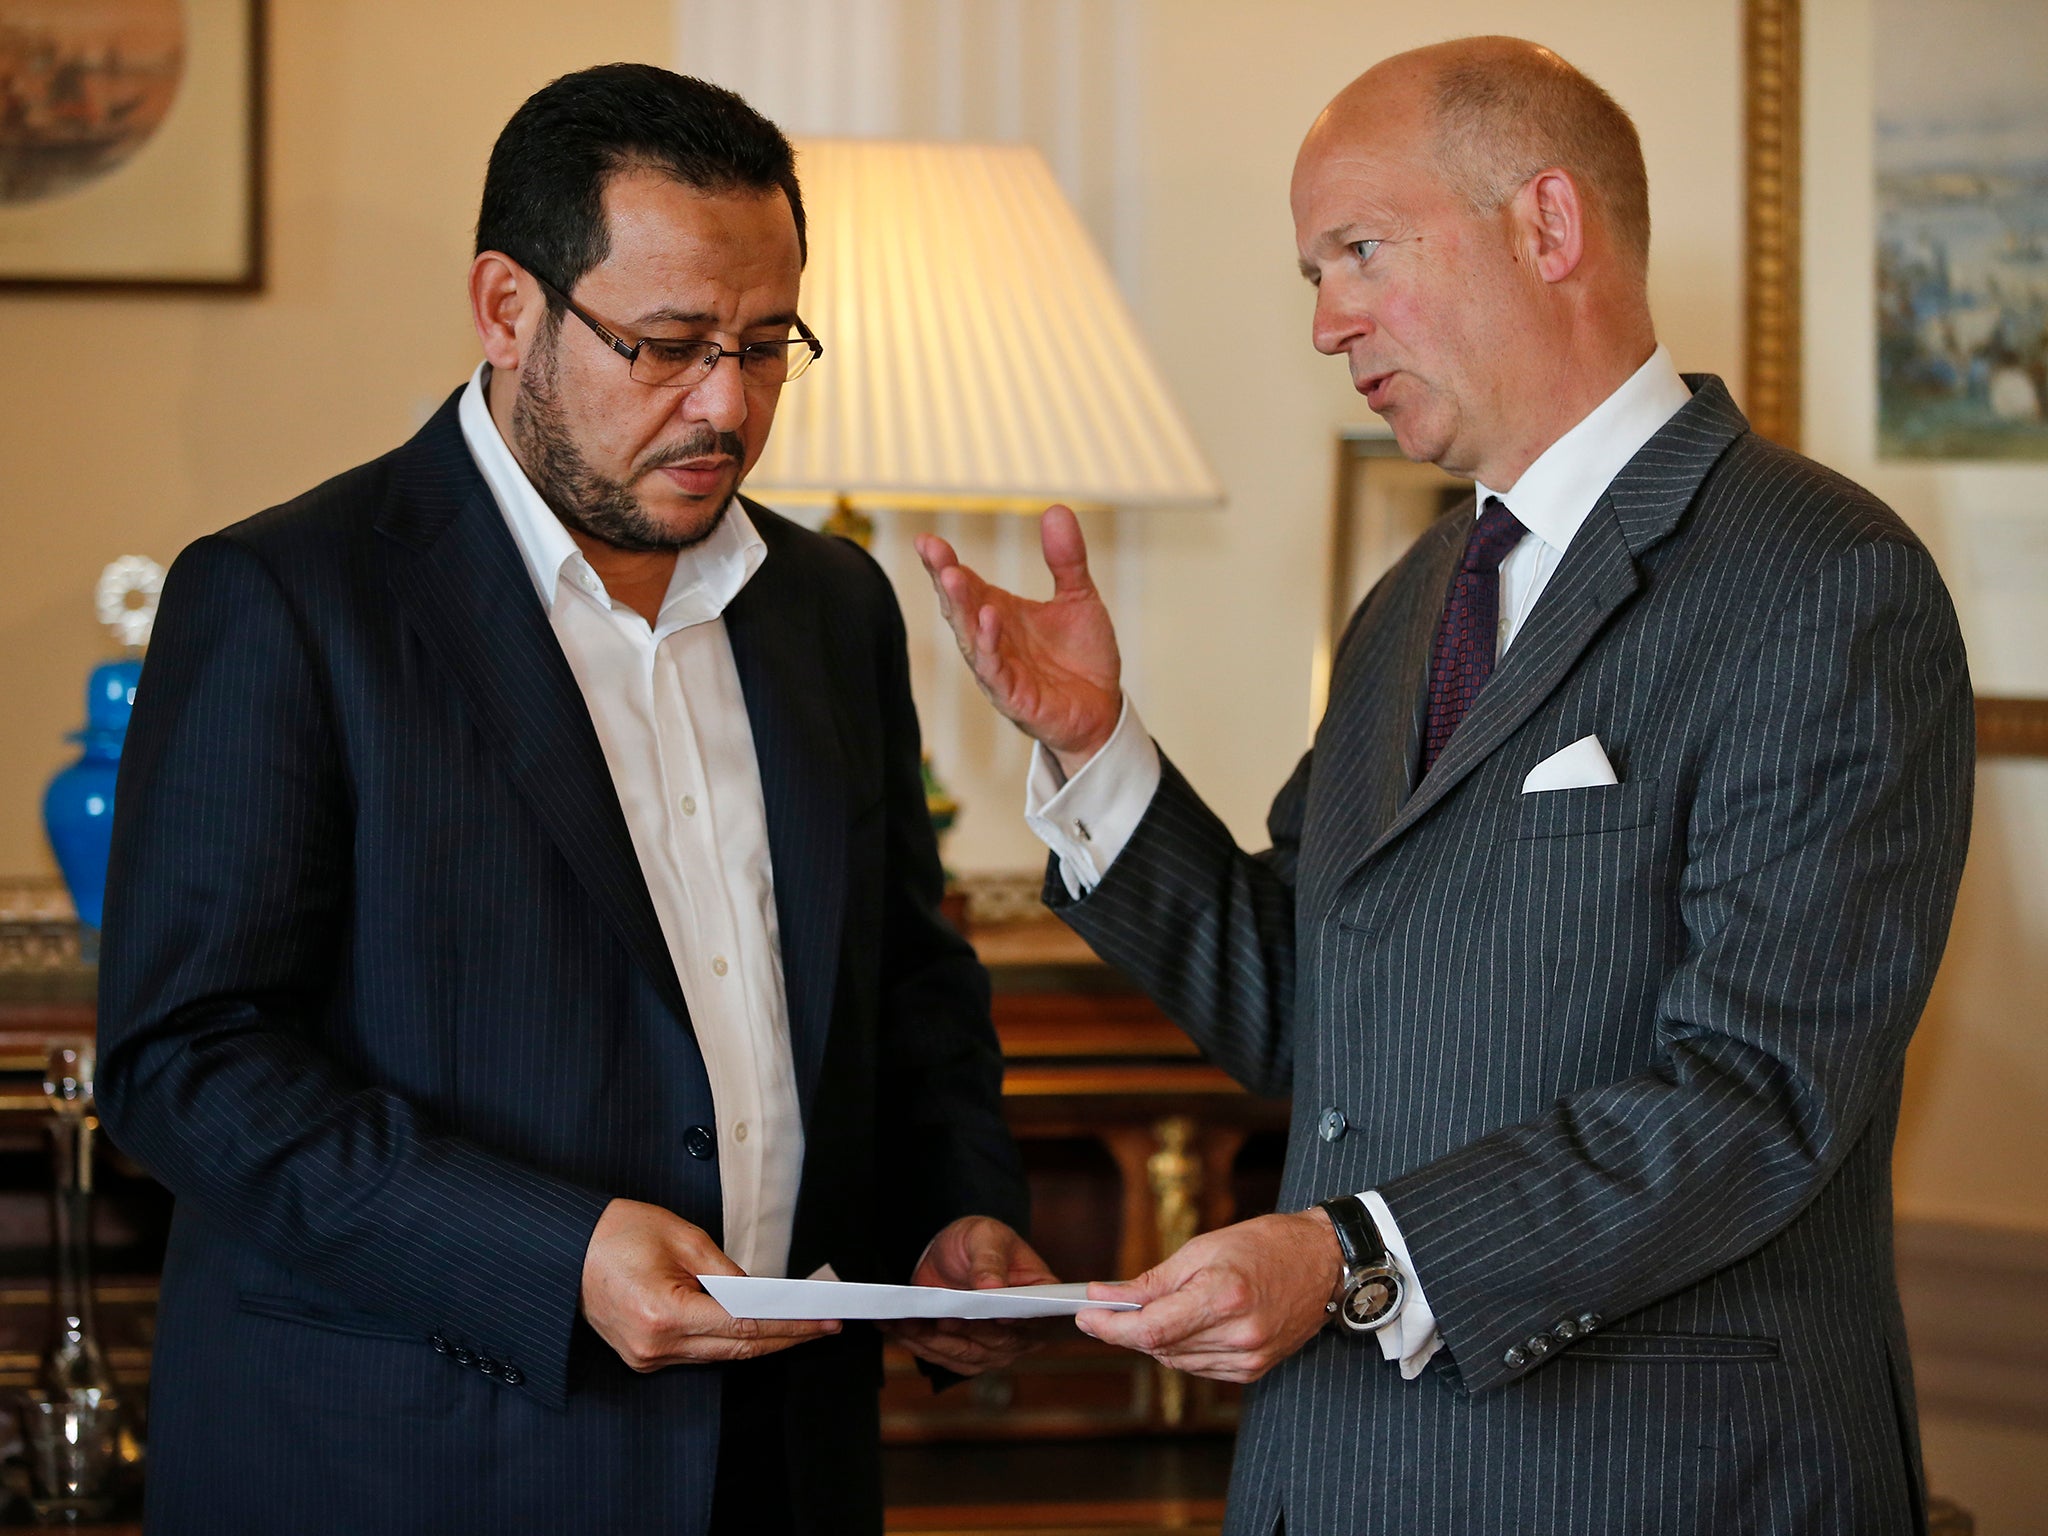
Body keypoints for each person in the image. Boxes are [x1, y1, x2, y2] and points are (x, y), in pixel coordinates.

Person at [918, 36, 1972, 1535]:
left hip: (1654, 1487)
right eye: (1311, 276)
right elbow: (1310, 1003)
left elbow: (1760, 1098)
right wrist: (1097, 750)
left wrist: (1355, 1255)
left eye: (1360, 251)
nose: (1327, 321)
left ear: (1548, 226)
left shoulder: (1827, 580)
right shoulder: (1414, 600)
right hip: (1336, 1480)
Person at [98, 63, 1047, 1536]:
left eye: (766, 344)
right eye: (666, 346)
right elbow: (187, 1064)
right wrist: (552, 1256)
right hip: (406, 1468)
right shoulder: (285, 598)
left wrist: (958, 1216)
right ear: (506, 308)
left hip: (779, 1467)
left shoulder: (830, 606)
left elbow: (908, 986)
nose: (726, 404)